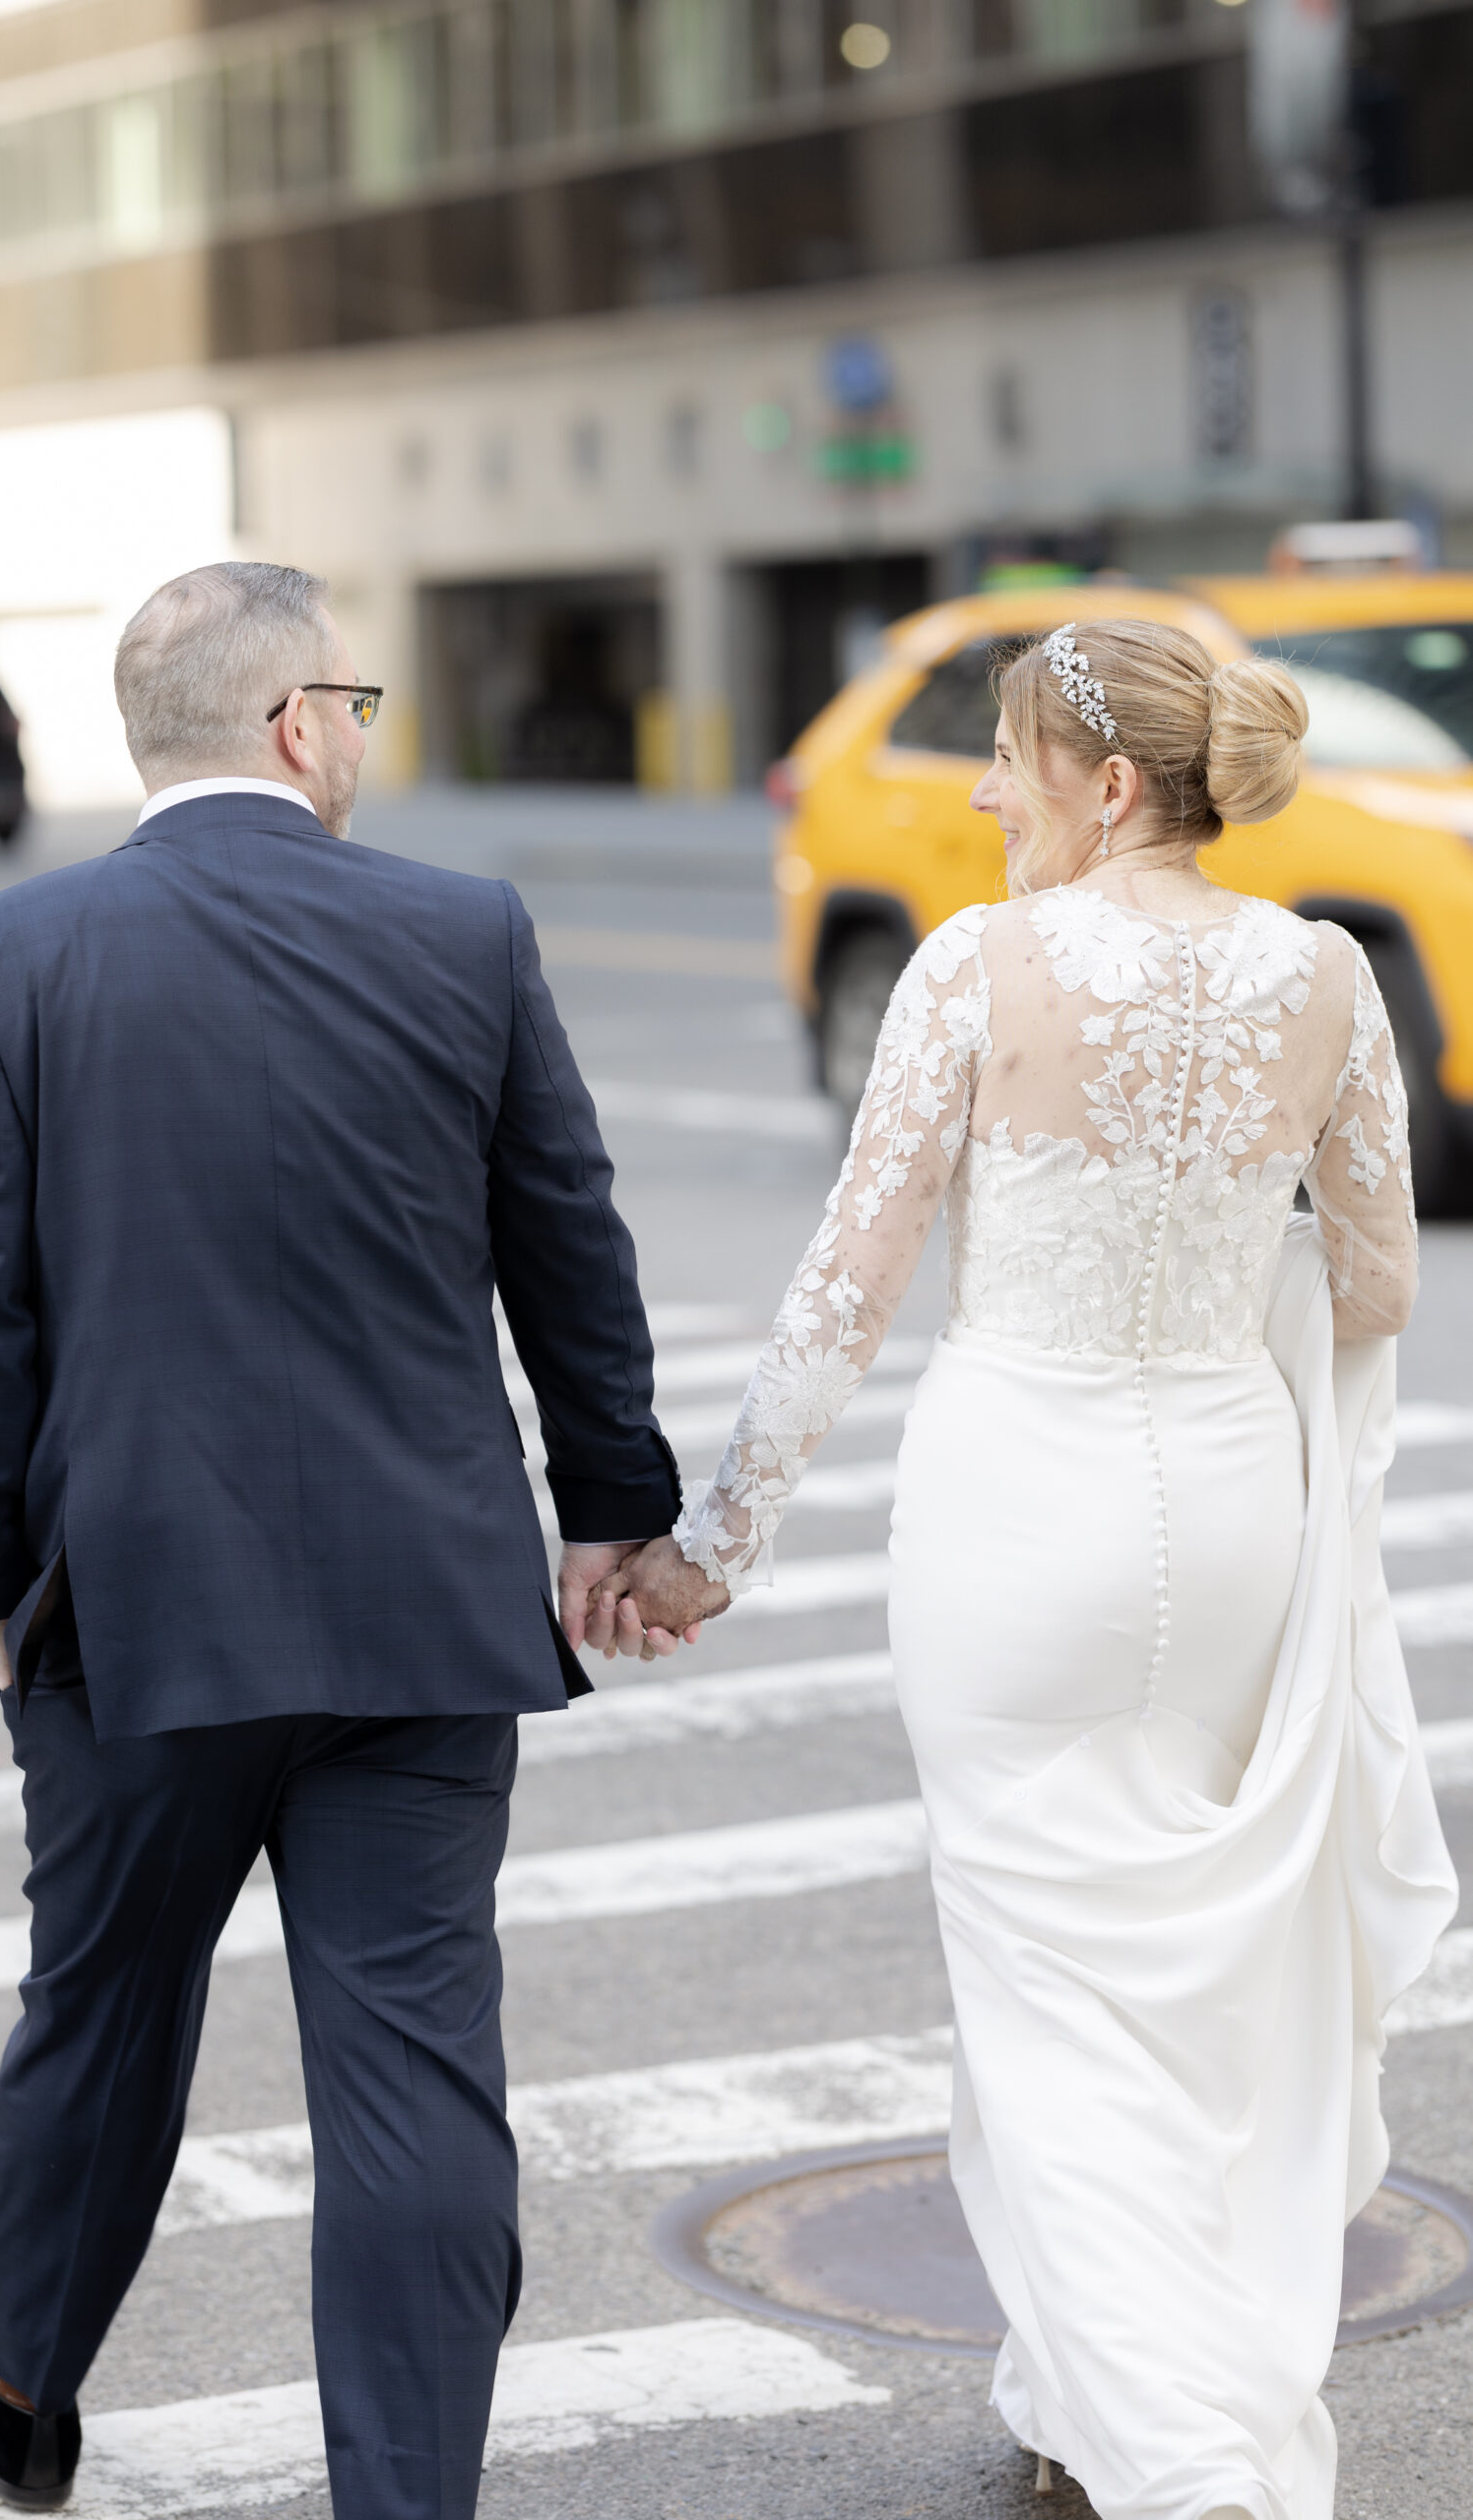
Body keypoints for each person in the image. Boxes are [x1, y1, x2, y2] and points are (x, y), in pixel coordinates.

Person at [604, 619, 1457, 2520]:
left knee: (1040, 1993)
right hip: (1228, 1502)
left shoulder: (977, 965)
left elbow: (855, 1273)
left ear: (1109, 785)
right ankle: (1078, 2386)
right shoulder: (1323, 974)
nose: (983, 794)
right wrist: (1216, 1260)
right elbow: (1382, 1283)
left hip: (1021, 1509)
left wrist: (712, 1542)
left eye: (1003, 759)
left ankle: (1185, 2468)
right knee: (1185, 1980)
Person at [0, 561, 681, 2515]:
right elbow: (563, 1238)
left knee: (105, 2000)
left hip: (129, 1605)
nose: (363, 739)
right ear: (296, 723)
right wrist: (617, 1505)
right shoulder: (460, 930)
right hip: (423, 1599)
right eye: (362, 705)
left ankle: (19, 2367)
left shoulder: (9, 953)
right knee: (414, 2067)